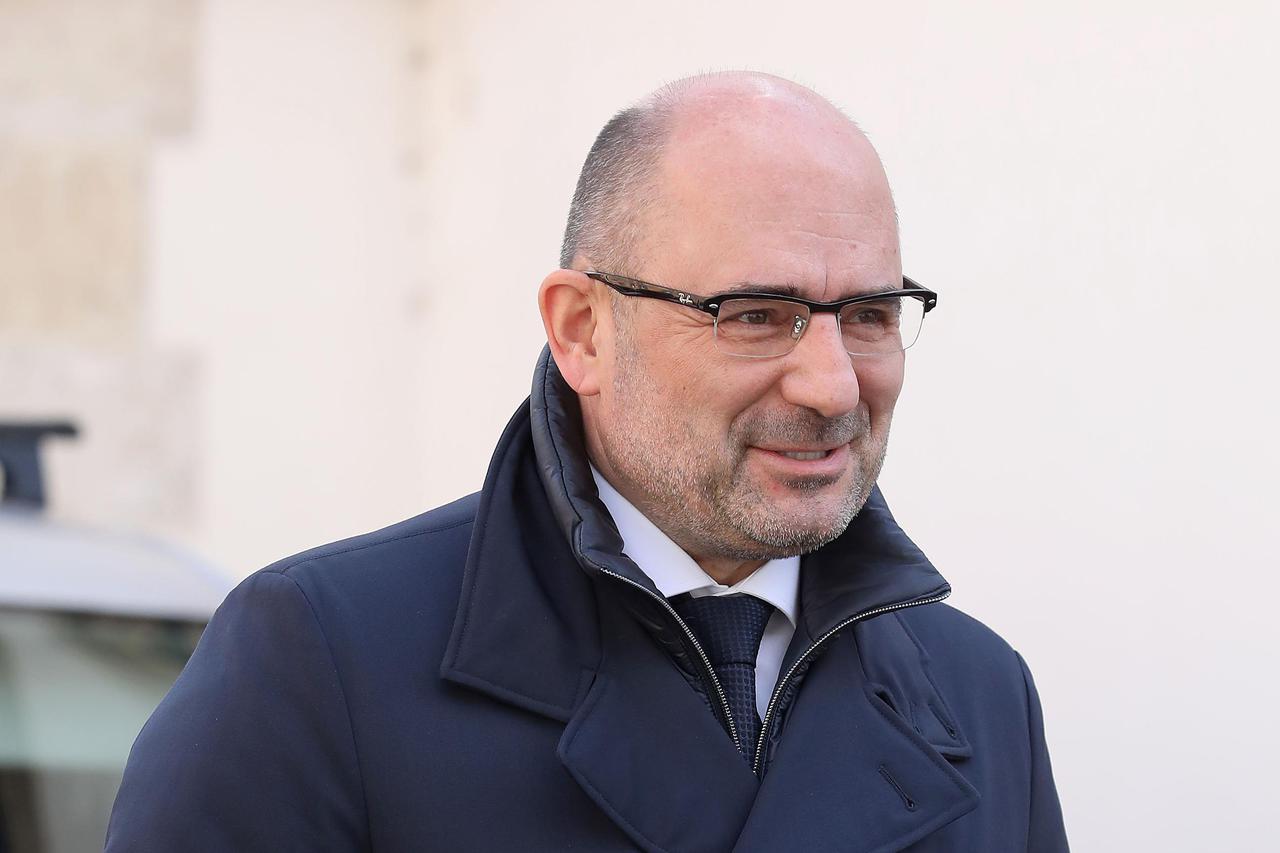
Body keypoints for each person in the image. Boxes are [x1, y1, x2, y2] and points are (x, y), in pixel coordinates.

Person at [105, 72, 1068, 852]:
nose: (832, 384)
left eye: (868, 315)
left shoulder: (980, 695)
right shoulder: (324, 663)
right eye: (754, 315)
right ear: (582, 331)